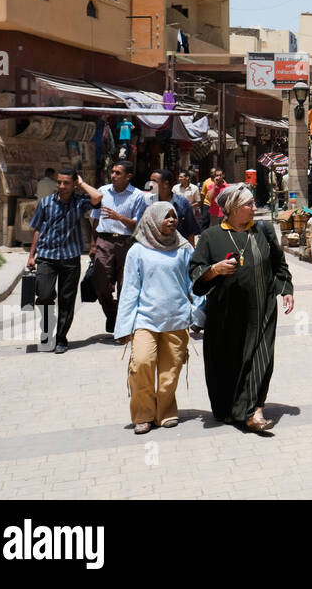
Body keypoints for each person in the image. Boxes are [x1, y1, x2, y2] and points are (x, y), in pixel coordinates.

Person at [190, 184, 293, 432]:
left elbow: (279, 263)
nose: (253, 208)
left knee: (261, 358)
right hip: (225, 315)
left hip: (262, 310)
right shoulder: (210, 237)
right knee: (227, 361)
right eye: (248, 204)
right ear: (233, 208)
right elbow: (195, 273)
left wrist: (287, 289)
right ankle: (230, 409)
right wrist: (214, 270)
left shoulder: (263, 231)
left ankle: (254, 411)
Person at [115, 202, 194, 433]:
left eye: (174, 216)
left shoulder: (184, 249)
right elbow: (129, 289)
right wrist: (123, 327)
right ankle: (143, 414)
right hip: (145, 320)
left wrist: (198, 313)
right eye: (166, 216)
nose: (172, 220)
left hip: (177, 318)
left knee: (170, 372)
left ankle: (166, 412)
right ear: (152, 220)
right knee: (141, 363)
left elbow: (194, 284)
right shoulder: (137, 251)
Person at [26, 168, 100, 353]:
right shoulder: (46, 203)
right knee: (43, 296)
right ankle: (46, 331)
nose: (61, 186)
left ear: (74, 184)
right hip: (46, 257)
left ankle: (61, 338)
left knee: (67, 301)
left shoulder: (80, 203)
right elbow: (37, 229)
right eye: (59, 182)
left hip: (70, 258)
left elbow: (97, 197)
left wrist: (82, 183)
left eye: (66, 182)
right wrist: (31, 255)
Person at [80, 161, 148, 336]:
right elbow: (95, 219)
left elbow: (138, 224)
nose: (113, 176)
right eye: (112, 172)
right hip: (105, 242)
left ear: (128, 177)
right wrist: (93, 244)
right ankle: (112, 314)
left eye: (118, 173)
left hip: (128, 243)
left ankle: (123, 326)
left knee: (125, 286)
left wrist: (119, 217)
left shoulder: (138, 196)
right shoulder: (102, 192)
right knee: (101, 285)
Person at [148, 168, 206, 331]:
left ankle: (199, 317)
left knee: (191, 283)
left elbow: (190, 230)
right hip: (156, 252)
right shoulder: (147, 203)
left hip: (179, 251)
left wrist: (192, 253)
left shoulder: (182, 203)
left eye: (154, 181)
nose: (150, 184)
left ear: (166, 184)